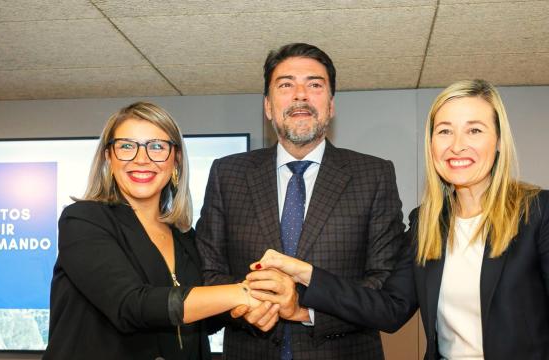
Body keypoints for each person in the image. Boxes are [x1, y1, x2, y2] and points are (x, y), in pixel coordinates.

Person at [250, 79, 549, 360]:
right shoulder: (427, 224)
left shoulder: (538, 212)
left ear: (498, 141)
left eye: (475, 130)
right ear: (431, 144)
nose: (457, 145)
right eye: (444, 131)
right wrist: (305, 273)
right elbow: (389, 309)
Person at [195, 43, 406, 359]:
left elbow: (383, 284)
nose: (300, 95)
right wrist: (244, 306)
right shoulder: (228, 174)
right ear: (268, 106)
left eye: (315, 84)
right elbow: (207, 272)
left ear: (331, 105)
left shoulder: (373, 175)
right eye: (286, 85)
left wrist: (304, 310)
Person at [43, 102, 261, 360]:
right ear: (108, 157)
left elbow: (204, 319)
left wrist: (256, 299)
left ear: (176, 160)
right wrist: (241, 293)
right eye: (127, 146)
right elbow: (131, 306)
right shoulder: (83, 220)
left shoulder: (185, 238)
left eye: (157, 146)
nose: (141, 159)